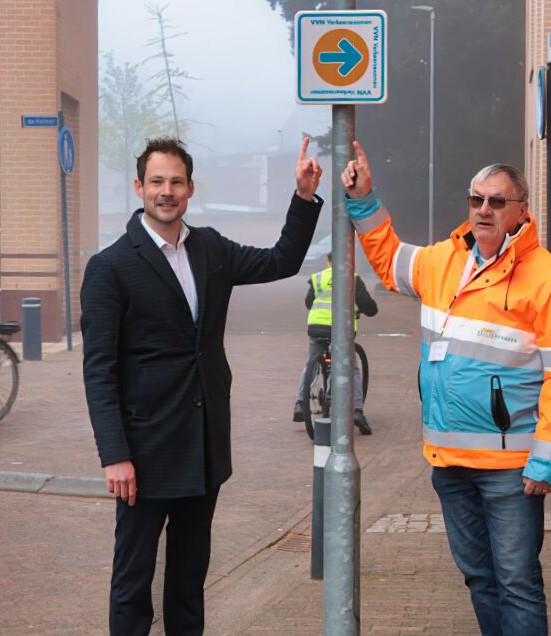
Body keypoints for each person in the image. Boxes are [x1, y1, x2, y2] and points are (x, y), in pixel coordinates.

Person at [341, 141, 551, 635]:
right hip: (450, 464)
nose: (484, 210)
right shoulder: (444, 262)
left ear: (522, 211)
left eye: (497, 201)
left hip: (512, 471)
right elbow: (389, 260)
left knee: (517, 583)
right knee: (479, 579)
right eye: (476, 199)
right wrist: (364, 199)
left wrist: (548, 460)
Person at [81, 136, 323, 635]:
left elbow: (281, 260)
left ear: (190, 188)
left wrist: (303, 197)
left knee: (189, 582)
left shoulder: (211, 248)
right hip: (144, 453)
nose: (166, 191)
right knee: (133, 581)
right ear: (139, 187)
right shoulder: (110, 267)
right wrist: (115, 455)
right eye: (156, 181)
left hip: (203, 445)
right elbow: (99, 370)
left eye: (176, 182)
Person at [293, 252, 379, 434]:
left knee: (311, 365)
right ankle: (357, 411)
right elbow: (370, 308)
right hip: (342, 330)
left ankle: (300, 403)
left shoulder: (318, 278)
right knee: (352, 367)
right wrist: (361, 308)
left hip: (317, 327)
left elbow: (309, 303)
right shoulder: (354, 279)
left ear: (328, 261)